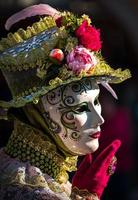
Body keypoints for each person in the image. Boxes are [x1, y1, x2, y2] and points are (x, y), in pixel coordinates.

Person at [0, 4, 131, 200]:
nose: (100, 119)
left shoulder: (16, 166)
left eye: (96, 101)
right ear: (39, 115)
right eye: (80, 107)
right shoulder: (28, 190)